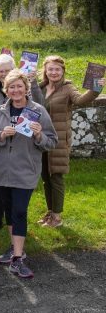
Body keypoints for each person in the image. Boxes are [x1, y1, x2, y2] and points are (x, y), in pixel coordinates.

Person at [0, 69, 57, 278]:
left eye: (19, 86)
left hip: (25, 172)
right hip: (1, 171)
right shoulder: (0, 112)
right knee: (8, 211)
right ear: (6, 90)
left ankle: (17, 258)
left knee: (20, 211)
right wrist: (1, 135)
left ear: (26, 88)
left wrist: (39, 134)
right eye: (11, 87)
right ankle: (15, 248)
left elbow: (52, 142)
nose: (15, 90)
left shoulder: (38, 111)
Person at [0, 54, 44, 232]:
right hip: (0, 146)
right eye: (0, 71)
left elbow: (39, 105)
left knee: (17, 197)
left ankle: (17, 227)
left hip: (24, 150)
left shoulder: (25, 90)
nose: (4, 74)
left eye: (7, 70)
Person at [38, 56, 104, 228]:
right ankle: (51, 212)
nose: (54, 72)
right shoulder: (41, 87)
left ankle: (57, 218)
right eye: (50, 69)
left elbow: (81, 100)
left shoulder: (67, 88)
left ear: (63, 71)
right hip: (41, 140)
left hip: (59, 140)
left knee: (56, 177)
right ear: (45, 70)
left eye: (57, 69)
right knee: (45, 177)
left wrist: (96, 88)